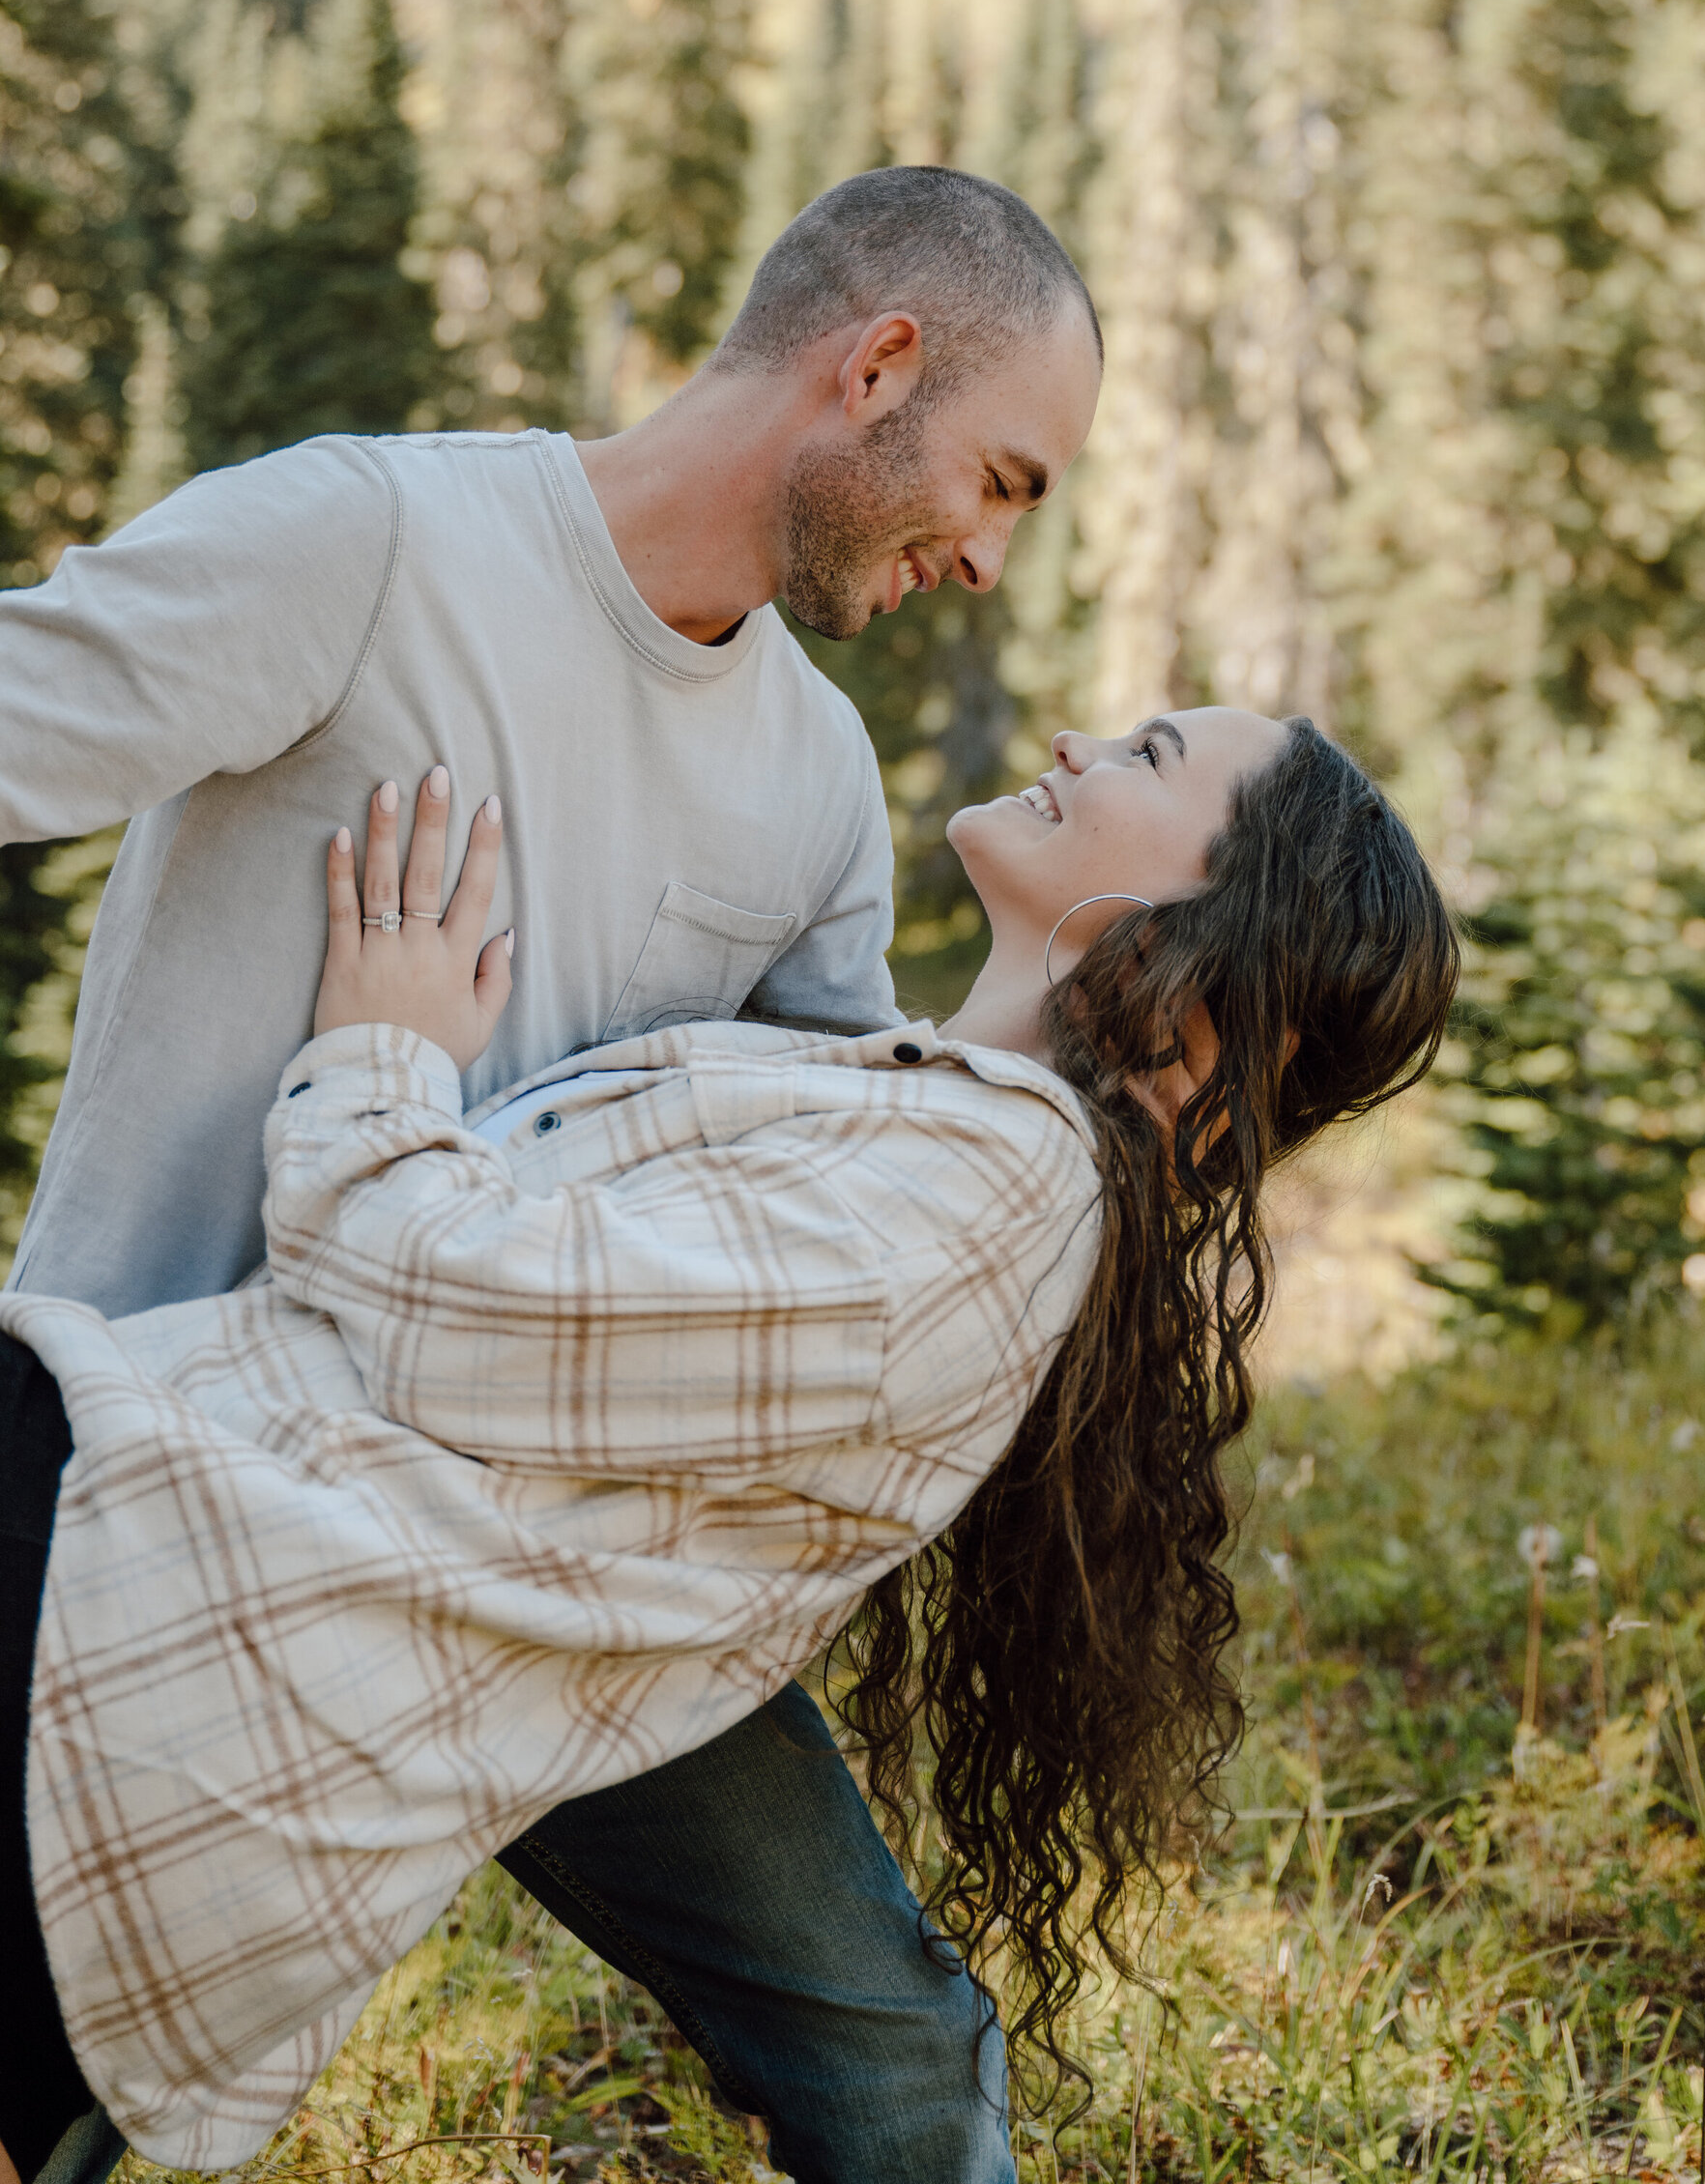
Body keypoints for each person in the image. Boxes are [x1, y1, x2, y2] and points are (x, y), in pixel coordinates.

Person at [0, 166, 1105, 2184]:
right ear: (877, 369)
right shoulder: (371, 541)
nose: (991, 555)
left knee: (900, 2058)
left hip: (551, 1573)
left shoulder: (813, 786)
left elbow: (826, 1202)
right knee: (52, 2104)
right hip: (160, 1537)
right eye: (1005, 479)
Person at [0, 702, 1458, 2178]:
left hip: (105, 1617)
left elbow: (466, 1317)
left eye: (1150, 758)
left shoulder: (992, 1203)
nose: (1081, 742)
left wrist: (380, 1055)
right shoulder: (933, 1121)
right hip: (122, 1571)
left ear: (1210, 965)